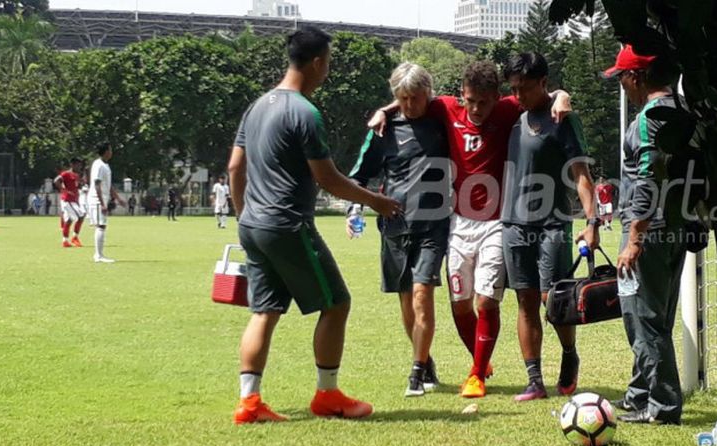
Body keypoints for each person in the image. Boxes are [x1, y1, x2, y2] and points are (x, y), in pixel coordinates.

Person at [369, 61, 572, 399]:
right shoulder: (447, 108)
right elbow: (411, 96)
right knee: (460, 304)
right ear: (461, 96)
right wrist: (384, 109)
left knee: (485, 301)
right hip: (459, 221)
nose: (475, 109)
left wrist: (562, 96)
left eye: (483, 102)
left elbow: (546, 95)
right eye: (469, 101)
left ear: (497, 97)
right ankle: (482, 360)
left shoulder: (509, 109)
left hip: (497, 222)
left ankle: (476, 373)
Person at [228, 26, 400, 425]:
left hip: (253, 225)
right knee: (336, 303)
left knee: (264, 310)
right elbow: (327, 178)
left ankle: (249, 402)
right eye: (329, 63)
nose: (329, 70)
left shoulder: (257, 107)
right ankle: (327, 394)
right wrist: (377, 201)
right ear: (318, 62)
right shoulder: (305, 112)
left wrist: (244, 216)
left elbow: (236, 166)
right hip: (287, 224)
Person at [499, 52, 600, 401]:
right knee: (525, 300)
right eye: (513, 89)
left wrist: (592, 221)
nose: (518, 96)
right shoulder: (511, 114)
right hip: (513, 223)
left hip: (553, 223)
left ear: (544, 83)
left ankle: (569, 355)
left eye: (525, 88)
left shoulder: (563, 119)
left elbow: (581, 174)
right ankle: (534, 381)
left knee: (553, 300)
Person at [349, 63, 449, 397]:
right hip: (394, 227)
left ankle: (416, 374)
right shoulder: (383, 130)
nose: (409, 105)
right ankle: (426, 359)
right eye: (402, 98)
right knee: (406, 301)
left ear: (428, 94)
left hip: (433, 225)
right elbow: (358, 176)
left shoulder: (441, 121)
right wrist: (355, 208)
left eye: (415, 97)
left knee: (423, 294)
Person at [605, 44, 686, 425]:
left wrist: (635, 237)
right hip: (677, 228)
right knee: (658, 317)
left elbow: (649, 173)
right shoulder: (684, 112)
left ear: (635, 77)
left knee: (642, 319)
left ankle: (663, 406)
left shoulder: (646, 119)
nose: (620, 85)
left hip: (647, 231)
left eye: (621, 76)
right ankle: (639, 394)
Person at [87, 143, 127, 263]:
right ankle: (98, 256)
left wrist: (118, 198)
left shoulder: (105, 165)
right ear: (105, 152)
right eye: (110, 150)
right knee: (101, 225)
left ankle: (99, 254)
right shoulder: (98, 165)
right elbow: (97, 185)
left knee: (102, 225)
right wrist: (102, 203)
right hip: (96, 199)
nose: (111, 152)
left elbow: (108, 186)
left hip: (102, 199)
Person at [54, 157, 86, 248]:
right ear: (72, 164)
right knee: (81, 216)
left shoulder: (76, 175)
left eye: (80, 165)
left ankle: (65, 241)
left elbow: (77, 186)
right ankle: (75, 237)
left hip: (74, 201)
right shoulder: (66, 174)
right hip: (68, 200)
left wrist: (81, 185)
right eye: (78, 165)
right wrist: (65, 190)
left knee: (69, 220)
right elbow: (56, 181)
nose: (79, 167)